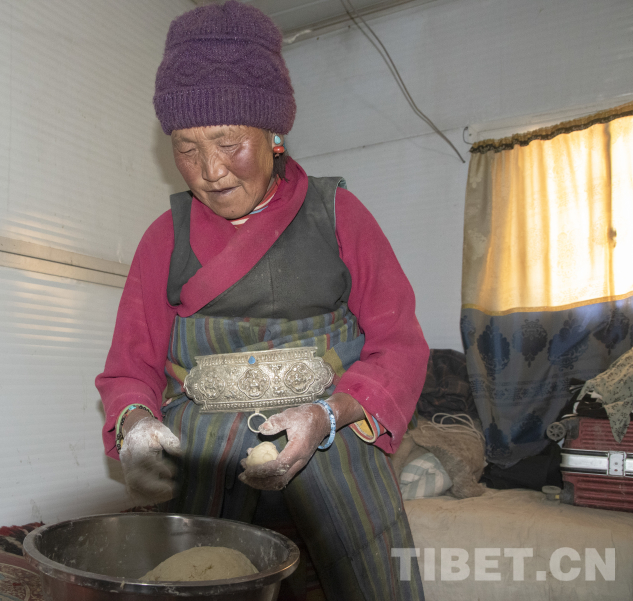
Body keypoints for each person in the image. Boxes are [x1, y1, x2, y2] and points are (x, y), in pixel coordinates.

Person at [96, 2, 428, 599]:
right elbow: (129, 368)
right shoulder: (163, 239)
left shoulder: (339, 215)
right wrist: (136, 424)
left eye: (228, 143)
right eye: (186, 148)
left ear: (275, 136)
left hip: (331, 457)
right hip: (206, 471)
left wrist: (327, 415)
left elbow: (398, 346)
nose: (210, 170)